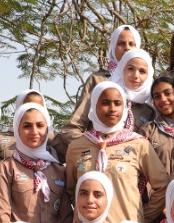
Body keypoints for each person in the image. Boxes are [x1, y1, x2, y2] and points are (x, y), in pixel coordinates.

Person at [64, 81, 170, 223]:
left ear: (124, 107)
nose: (112, 109)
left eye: (118, 103)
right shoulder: (76, 147)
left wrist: (139, 217)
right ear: (94, 105)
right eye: (105, 103)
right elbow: (71, 190)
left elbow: (162, 186)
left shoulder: (138, 144)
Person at [0, 100, 70, 223]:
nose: (34, 132)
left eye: (40, 125)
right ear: (17, 129)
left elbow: (66, 220)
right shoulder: (6, 169)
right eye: (27, 126)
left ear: (47, 129)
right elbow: (2, 218)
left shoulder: (59, 171)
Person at [57, 23, 142, 153]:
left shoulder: (147, 89)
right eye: (121, 43)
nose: (127, 48)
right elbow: (72, 129)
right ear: (113, 47)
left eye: (131, 44)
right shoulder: (98, 80)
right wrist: (96, 147)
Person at [142, 75, 174, 178]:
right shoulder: (148, 131)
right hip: (159, 188)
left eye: (167, 93)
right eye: (157, 96)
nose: (163, 99)